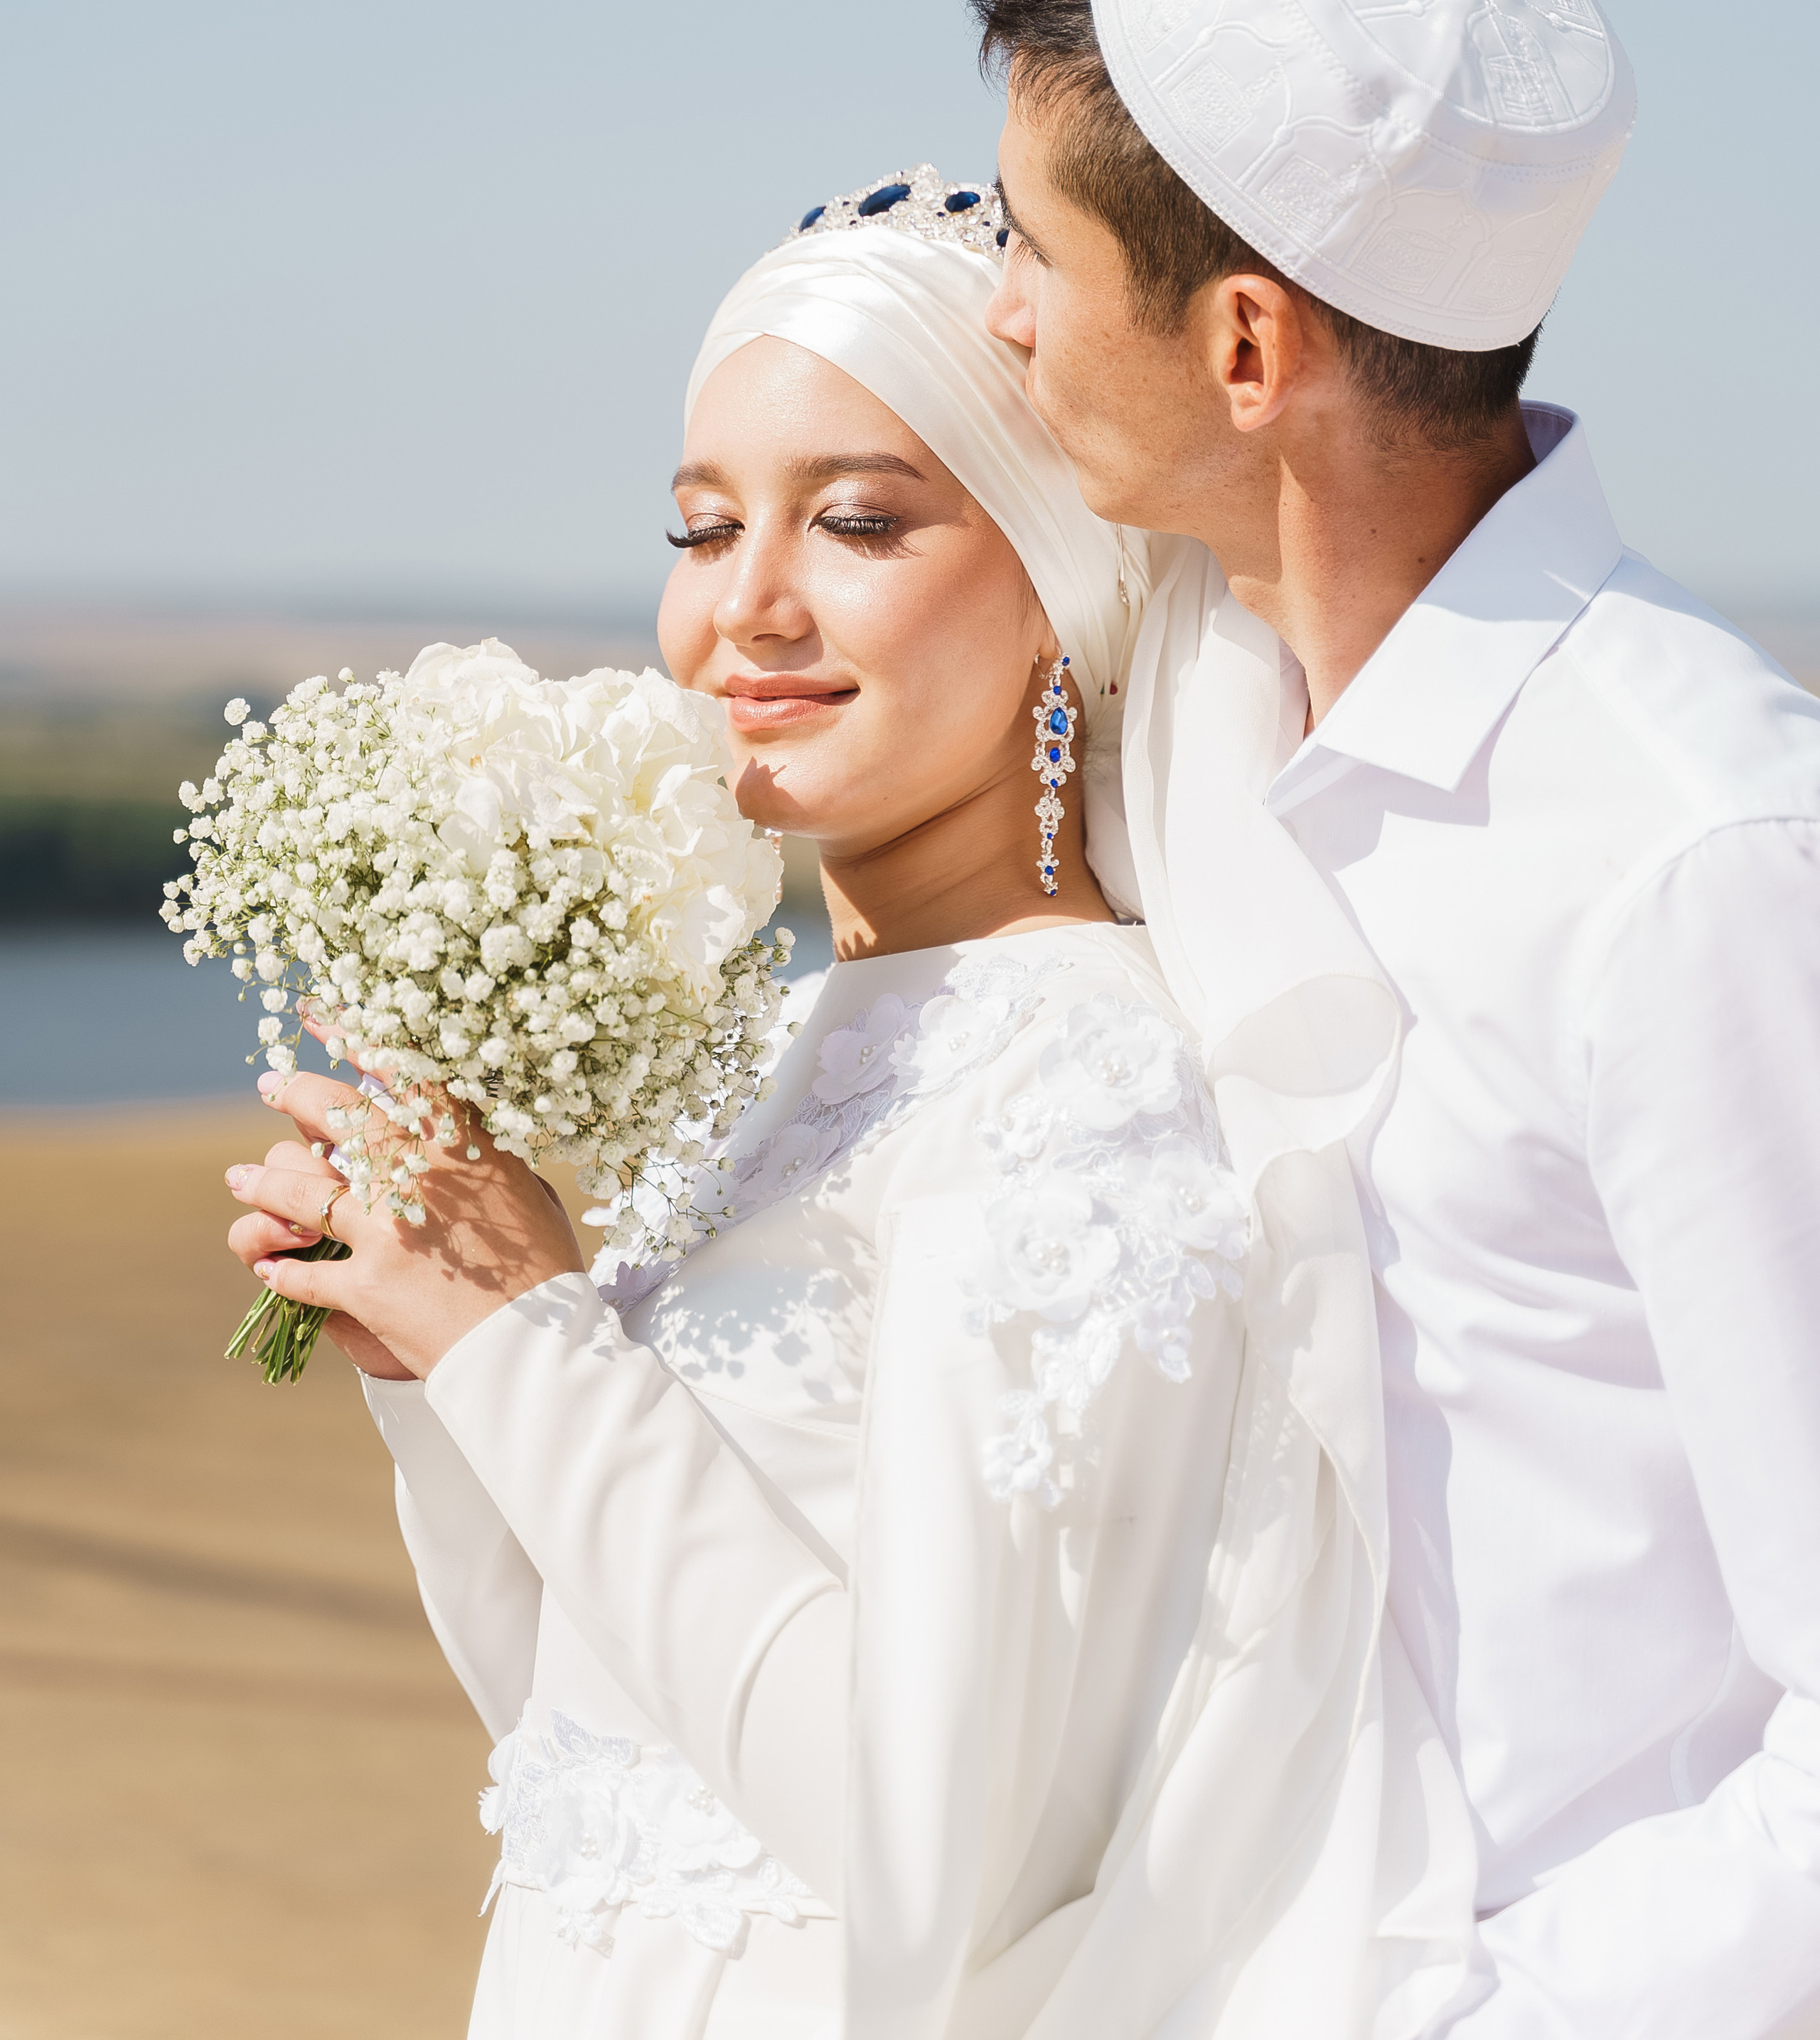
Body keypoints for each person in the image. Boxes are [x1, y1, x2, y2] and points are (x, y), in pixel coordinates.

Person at [224, 166, 1483, 2039]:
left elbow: (933, 1862)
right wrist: (434, 1362)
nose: (750, 611)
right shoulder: (757, 1065)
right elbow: (584, 1738)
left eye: (863, 524)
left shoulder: (1080, 1085)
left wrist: (529, 1344)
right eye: (702, 525)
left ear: (1070, 585)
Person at [975, 0, 1820, 2039]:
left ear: (1247, 344)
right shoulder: (1202, 705)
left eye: (1028, 250)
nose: (999, 317)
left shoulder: (1698, 855)